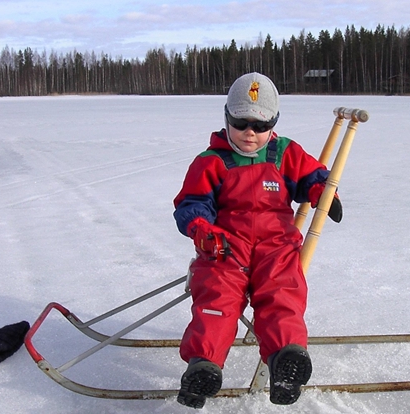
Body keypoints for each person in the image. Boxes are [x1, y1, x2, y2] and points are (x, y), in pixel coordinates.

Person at [172, 72, 342, 409]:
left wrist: (321, 190)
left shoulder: (284, 153)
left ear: (273, 124)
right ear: (227, 118)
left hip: (275, 248)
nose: (250, 133)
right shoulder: (211, 162)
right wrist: (202, 230)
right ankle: (203, 366)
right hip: (225, 250)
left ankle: (285, 362)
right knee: (217, 302)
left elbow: (312, 175)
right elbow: (191, 205)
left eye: (260, 126)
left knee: (282, 297)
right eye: (241, 122)